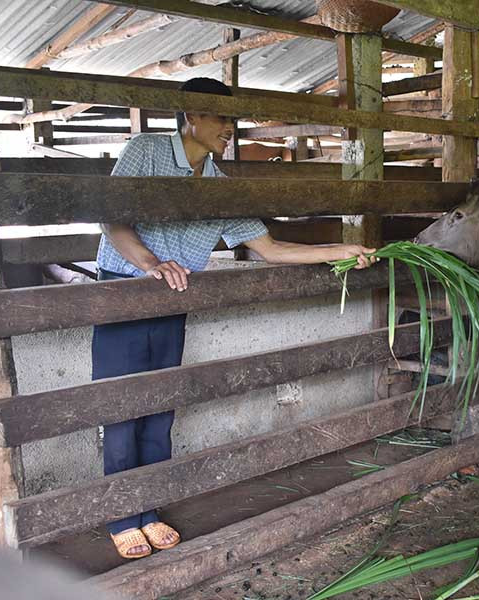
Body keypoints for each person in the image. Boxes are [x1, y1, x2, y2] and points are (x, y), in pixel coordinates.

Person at [95, 77, 376, 559]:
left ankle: (150, 509)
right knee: (120, 405)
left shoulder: (220, 189)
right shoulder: (146, 150)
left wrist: (342, 250)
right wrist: (149, 263)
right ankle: (122, 516)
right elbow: (113, 217)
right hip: (125, 289)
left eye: (232, 120)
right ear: (192, 117)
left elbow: (270, 248)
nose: (229, 128)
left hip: (172, 297)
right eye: (221, 118)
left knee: (160, 405)